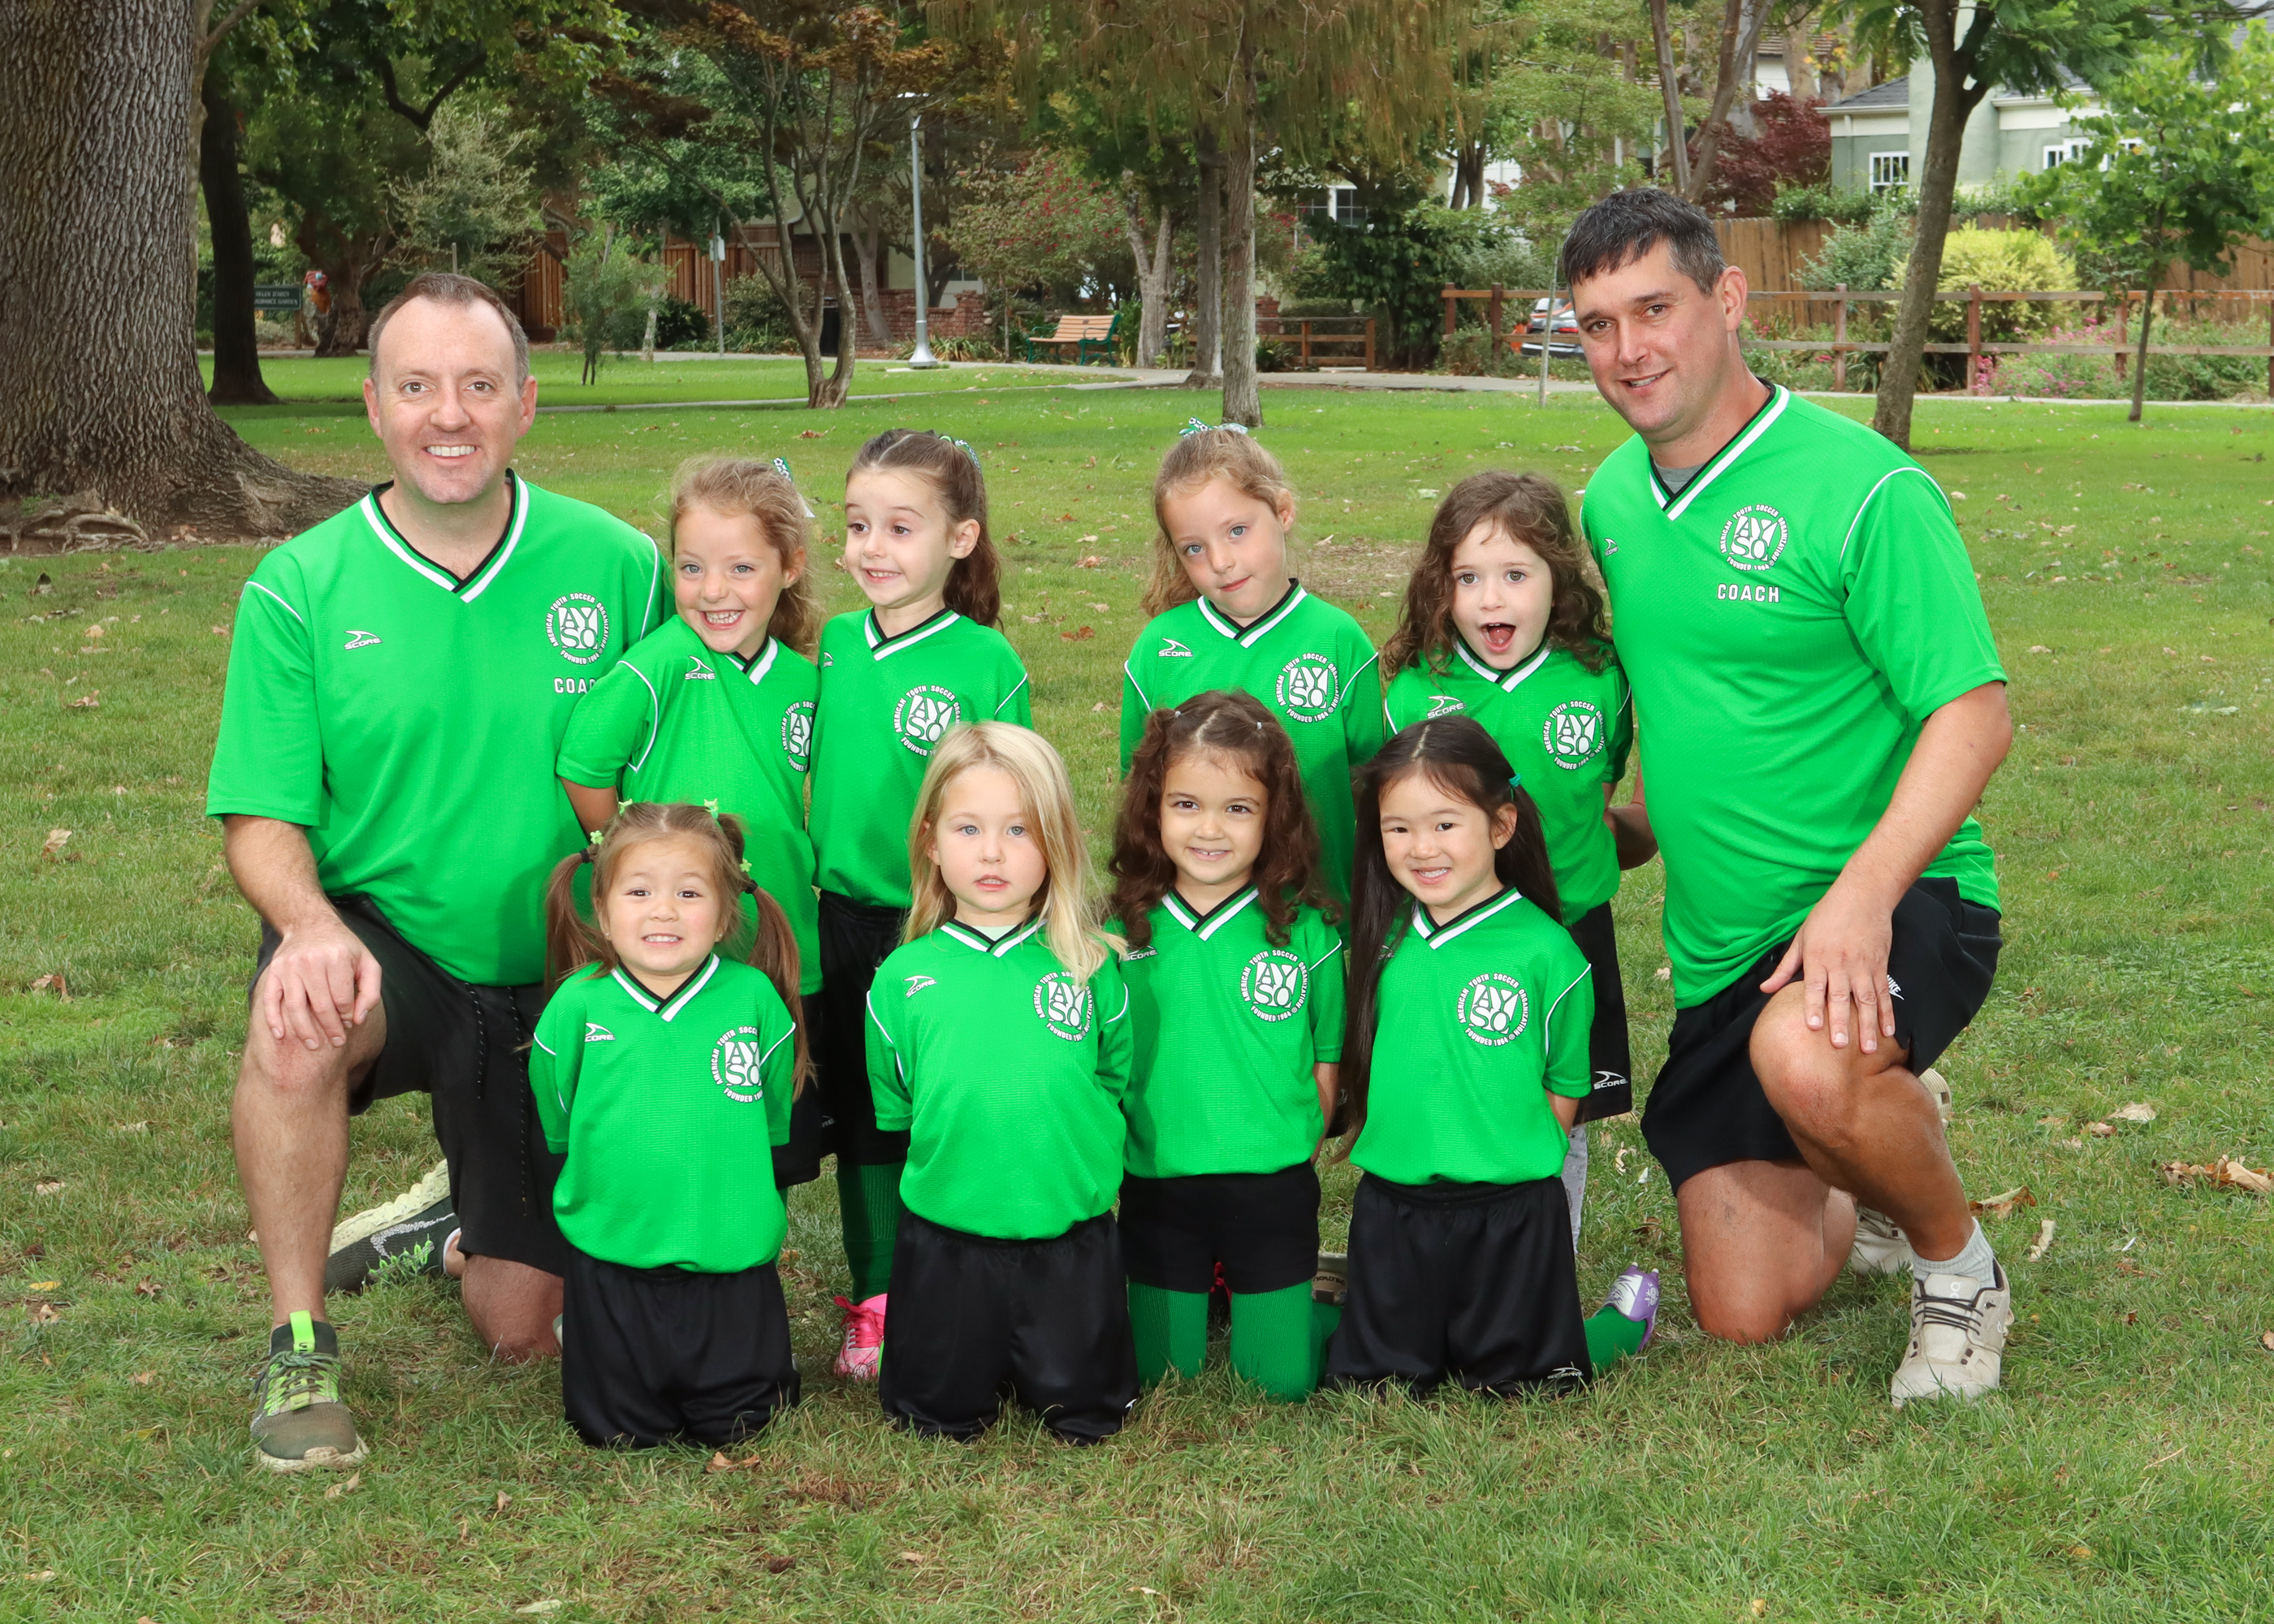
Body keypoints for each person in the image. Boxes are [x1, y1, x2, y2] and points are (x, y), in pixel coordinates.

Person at [205, 272, 668, 1472]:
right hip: (392, 947)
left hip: (569, 965)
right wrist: (309, 927)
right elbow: (260, 817)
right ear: (373, 405)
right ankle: (299, 1343)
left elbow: (687, 764)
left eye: (477, 385)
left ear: (525, 403)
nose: (448, 414)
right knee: (296, 1017)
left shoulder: (618, 565)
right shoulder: (301, 586)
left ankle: (444, 1229)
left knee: (520, 1331)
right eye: (416, 386)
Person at [1562, 187, 2012, 1405]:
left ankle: (1959, 1272)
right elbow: (1679, 704)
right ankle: (1878, 1142)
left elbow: (1975, 714)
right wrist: (1596, 827)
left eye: (1654, 309)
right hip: (1725, 954)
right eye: (1597, 325)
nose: (1628, 350)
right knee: (1743, 1311)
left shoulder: (1864, 489)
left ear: (1728, 298)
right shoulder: (1612, 501)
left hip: (1895, 897)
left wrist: (1859, 900)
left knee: (1808, 1058)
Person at [1321, 719, 1659, 1396]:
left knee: (1529, 1381)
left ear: (1501, 826)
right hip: (1395, 1210)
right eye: (1398, 828)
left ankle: (1620, 1324)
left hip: (1511, 1216)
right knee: (1373, 1381)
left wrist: (1513, 1164)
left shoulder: (1549, 951)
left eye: (1445, 825)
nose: (1422, 848)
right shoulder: (1381, 939)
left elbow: (1566, 1084)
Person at [807, 430, 1031, 1380]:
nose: (872, 547)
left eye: (901, 527)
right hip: (842, 919)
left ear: (960, 538)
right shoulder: (832, 644)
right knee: (864, 1117)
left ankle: (964, 1279)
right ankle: (877, 1296)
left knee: (945, 1110)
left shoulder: (986, 661)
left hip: (942, 925)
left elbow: (1017, 806)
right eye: (858, 524)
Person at [1382, 471, 1656, 1243]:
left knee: (1564, 1108)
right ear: (1441, 586)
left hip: (1571, 930)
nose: (1490, 600)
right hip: (1448, 938)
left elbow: (1599, 793)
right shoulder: (1413, 692)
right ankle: (1446, 1244)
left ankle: (1545, 1262)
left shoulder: (1601, 679)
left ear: (1558, 579)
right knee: (1456, 1089)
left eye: (1515, 575)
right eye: (1468, 578)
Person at [554, 456, 825, 1190]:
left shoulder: (805, 680)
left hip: (784, 940)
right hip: (679, 951)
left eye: (741, 569)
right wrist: (627, 859)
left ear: (790, 566)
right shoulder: (658, 665)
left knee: (771, 1141)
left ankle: (748, 1243)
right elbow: (584, 765)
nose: (712, 591)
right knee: (685, 1128)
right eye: (691, 567)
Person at [865, 723, 1140, 1443]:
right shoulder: (903, 979)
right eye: (969, 828)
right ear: (930, 841)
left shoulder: (1089, 965)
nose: (992, 852)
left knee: (1087, 1414)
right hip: (949, 1240)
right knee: (935, 1416)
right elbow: (900, 1105)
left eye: (1019, 830)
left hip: (1067, 1235)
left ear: (1056, 844)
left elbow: (1111, 1075)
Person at [532, 804, 806, 1449]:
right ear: (603, 912)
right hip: (615, 1253)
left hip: (728, 1254)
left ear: (725, 915)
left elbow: (770, 1111)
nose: (664, 912)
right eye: (639, 892)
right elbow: (559, 1108)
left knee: (739, 1426)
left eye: (689, 893)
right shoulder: (579, 1004)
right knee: (619, 1432)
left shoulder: (753, 999)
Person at [1108, 691, 1345, 1401]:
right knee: (1158, 1375)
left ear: (1275, 817)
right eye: (1186, 805)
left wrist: (1296, 1143)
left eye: (1238, 808)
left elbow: (1325, 1057)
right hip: (1158, 1184)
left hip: (1270, 1186)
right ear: (1152, 808)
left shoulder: (1306, 933)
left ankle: (1340, 1313)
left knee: (1279, 1383)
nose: (1209, 829)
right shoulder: (1120, 934)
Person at [1121, 421, 1384, 905]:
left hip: (1322, 919)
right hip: (1192, 921)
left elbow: (1377, 793)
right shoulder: (1158, 648)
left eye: (1237, 531)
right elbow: (1139, 794)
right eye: (1194, 548)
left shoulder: (1339, 641)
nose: (1220, 561)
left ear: (1283, 512)